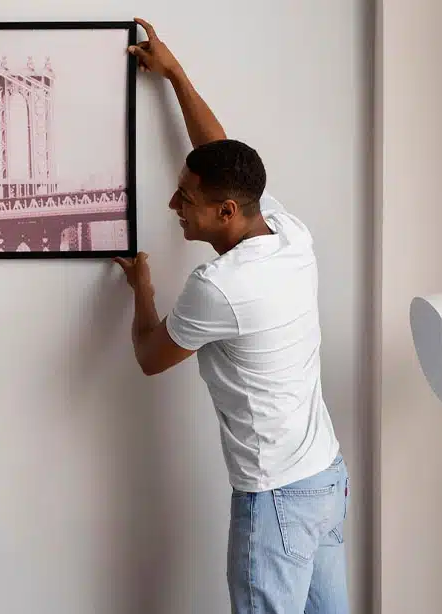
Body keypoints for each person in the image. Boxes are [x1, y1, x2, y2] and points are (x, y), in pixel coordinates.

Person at [118, 18, 349, 614]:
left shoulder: (220, 288)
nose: (173, 206)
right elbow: (219, 148)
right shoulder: (286, 231)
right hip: (324, 476)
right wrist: (174, 75)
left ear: (225, 212)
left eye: (184, 199)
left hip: (274, 498)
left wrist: (142, 290)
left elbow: (149, 358)